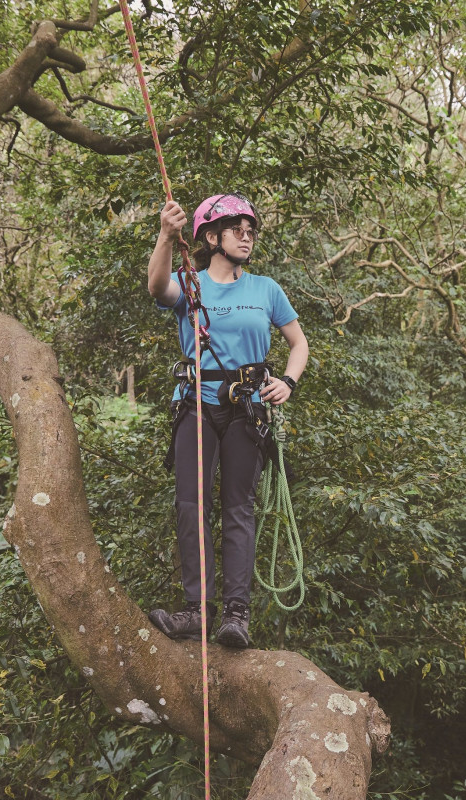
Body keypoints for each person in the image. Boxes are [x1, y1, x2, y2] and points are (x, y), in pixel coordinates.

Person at [144, 192, 308, 648]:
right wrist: (164, 234)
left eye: (251, 230)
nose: (247, 236)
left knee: (238, 507)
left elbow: (299, 344)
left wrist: (288, 383)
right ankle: (197, 611)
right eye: (238, 229)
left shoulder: (266, 290)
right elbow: (157, 288)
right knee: (191, 504)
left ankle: (236, 614)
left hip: (246, 407)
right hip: (196, 402)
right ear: (212, 237)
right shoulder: (189, 284)